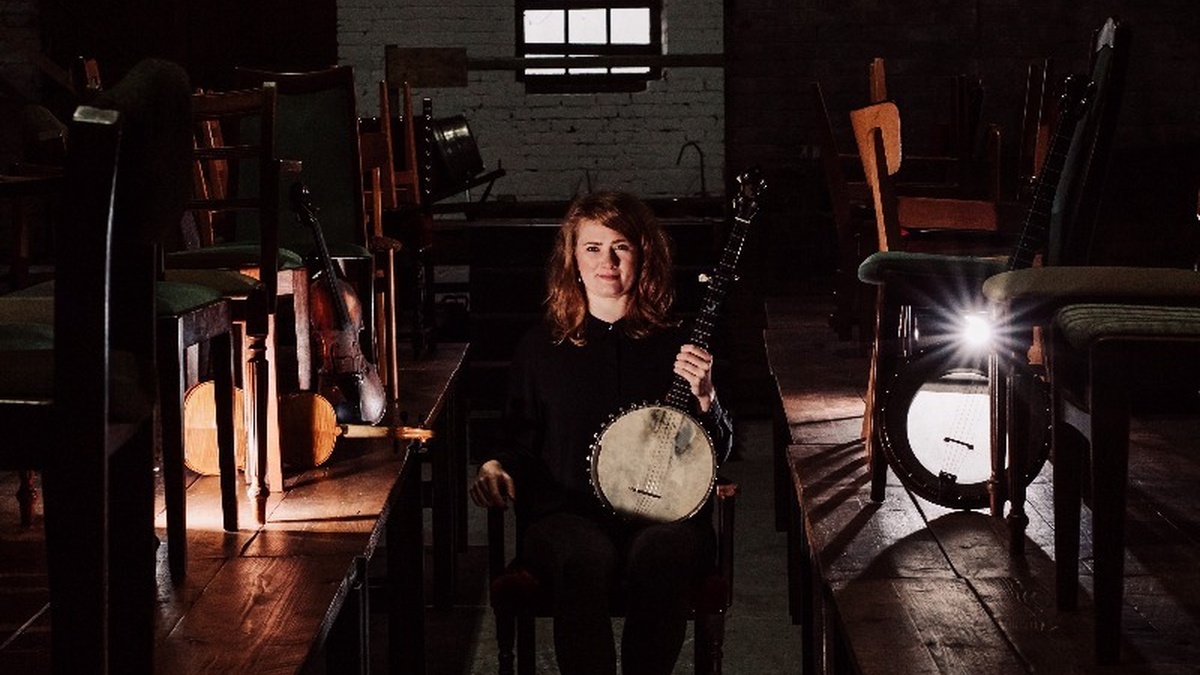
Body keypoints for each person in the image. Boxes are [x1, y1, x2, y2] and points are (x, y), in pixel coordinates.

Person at [469, 190, 734, 675]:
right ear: (572, 258)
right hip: (565, 514)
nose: (607, 262)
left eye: (621, 247)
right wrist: (494, 464)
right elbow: (516, 438)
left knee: (662, 555)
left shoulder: (679, 345)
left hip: (663, 518)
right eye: (593, 247)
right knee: (583, 558)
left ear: (643, 255)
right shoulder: (540, 348)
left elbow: (717, 450)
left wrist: (707, 400)